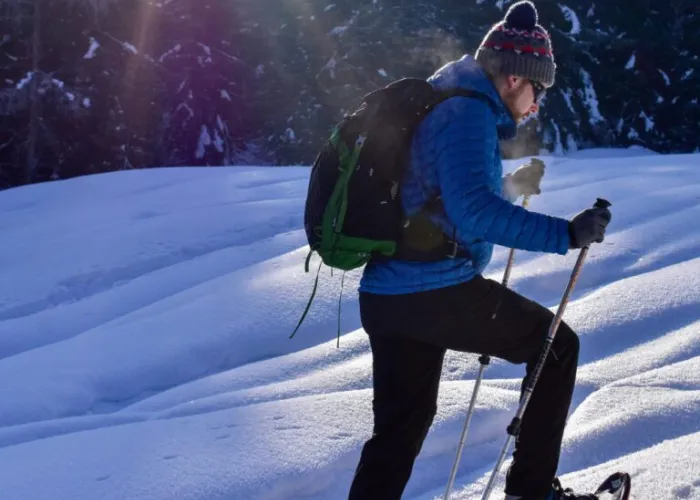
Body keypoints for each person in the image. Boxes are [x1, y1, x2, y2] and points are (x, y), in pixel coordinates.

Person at [347, 1, 612, 500]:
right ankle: (531, 493)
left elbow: (440, 198)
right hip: (433, 290)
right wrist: (565, 234)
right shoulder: (467, 112)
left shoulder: (447, 100)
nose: (536, 105)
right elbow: (473, 213)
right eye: (537, 89)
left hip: (389, 292)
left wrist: (510, 186)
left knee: (398, 435)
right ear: (514, 78)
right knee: (556, 347)